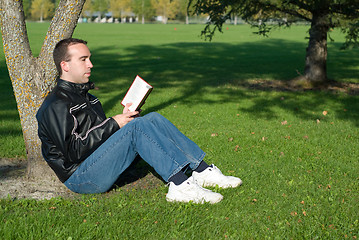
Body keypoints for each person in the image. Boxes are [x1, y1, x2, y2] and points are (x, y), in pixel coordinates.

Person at [36, 38, 243, 204]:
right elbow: (72, 152)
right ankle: (180, 186)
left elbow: (96, 134)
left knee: (150, 118)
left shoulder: (86, 96)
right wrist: (115, 123)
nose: (91, 64)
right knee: (136, 127)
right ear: (65, 65)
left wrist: (124, 118)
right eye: (83, 59)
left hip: (95, 163)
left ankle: (200, 170)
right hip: (81, 177)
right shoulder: (56, 105)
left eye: (89, 58)